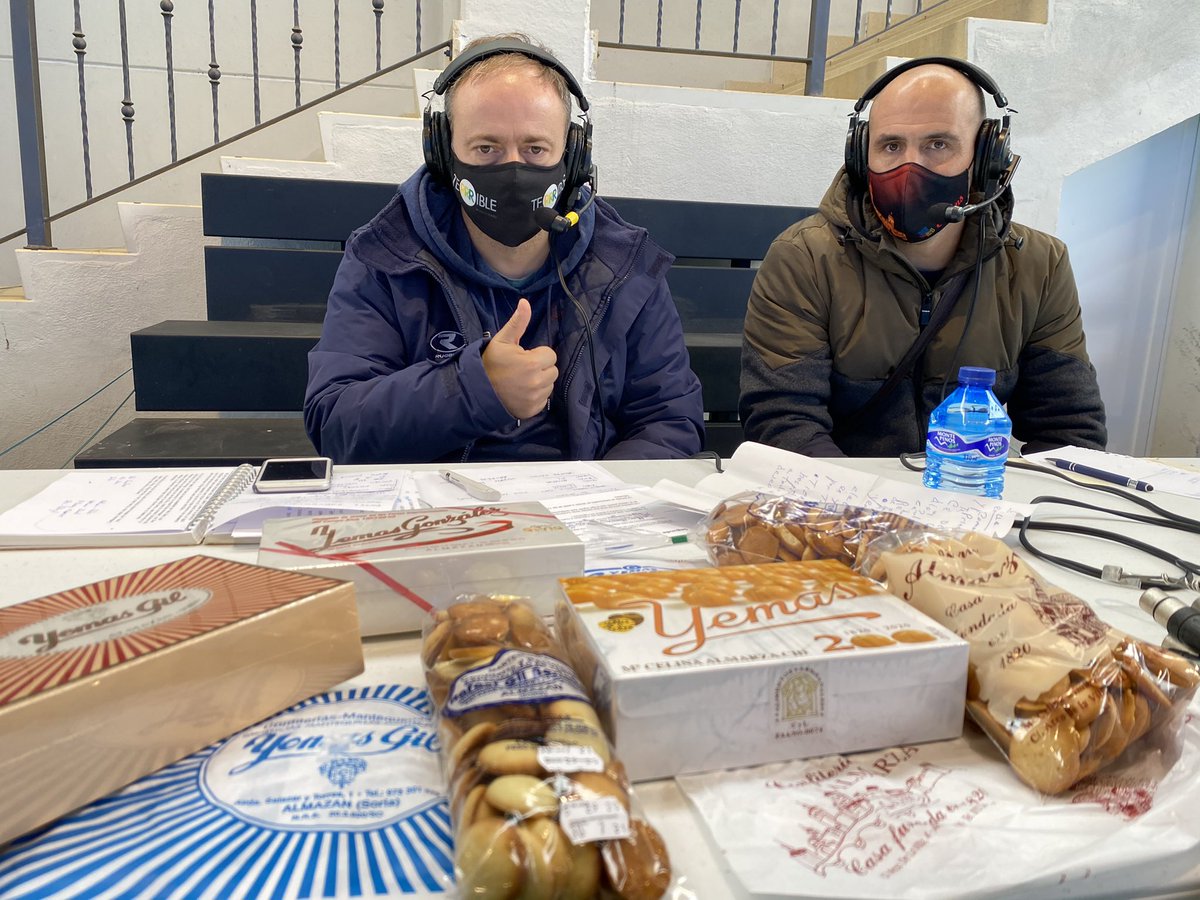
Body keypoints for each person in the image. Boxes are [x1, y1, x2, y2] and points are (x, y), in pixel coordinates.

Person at [304, 35, 703, 463]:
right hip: (442, 514)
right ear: (442, 151)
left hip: (584, 514)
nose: (513, 171)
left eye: (535, 148)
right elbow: (337, 423)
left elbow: (668, 421)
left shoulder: (624, 265)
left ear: (572, 156)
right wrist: (475, 389)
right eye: (486, 148)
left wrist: (595, 503)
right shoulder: (386, 256)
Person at [740, 56, 1107, 457]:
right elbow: (784, 423)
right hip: (848, 503)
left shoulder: (1040, 265)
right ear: (862, 157)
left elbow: (1069, 430)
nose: (910, 167)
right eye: (891, 145)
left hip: (971, 496)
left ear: (986, 157)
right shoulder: (804, 258)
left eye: (938, 144)